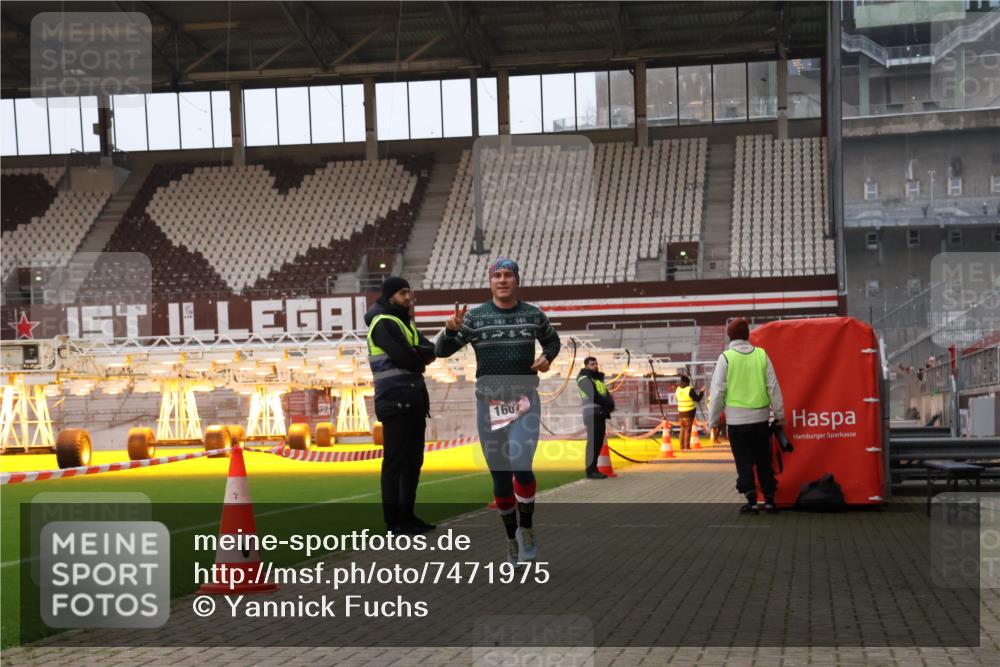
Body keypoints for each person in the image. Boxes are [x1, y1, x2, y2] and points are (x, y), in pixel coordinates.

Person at [435, 256, 560, 564]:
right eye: (497, 275)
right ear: (490, 281)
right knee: (501, 477)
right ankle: (510, 538)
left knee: (522, 466)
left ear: (517, 280)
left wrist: (547, 357)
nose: (502, 280)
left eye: (508, 275)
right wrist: (449, 331)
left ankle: (526, 529)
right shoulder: (475, 318)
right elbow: (441, 351)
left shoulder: (533, 315)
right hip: (488, 406)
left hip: (524, 404)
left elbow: (553, 342)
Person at [365, 276, 437, 535]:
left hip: (413, 399)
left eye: (409, 292)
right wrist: (418, 356)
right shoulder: (382, 322)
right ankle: (394, 522)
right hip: (394, 400)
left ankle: (407, 516)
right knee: (395, 462)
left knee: (413, 462)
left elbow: (430, 351)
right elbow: (408, 359)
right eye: (403, 292)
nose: (408, 297)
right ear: (390, 295)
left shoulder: (404, 323)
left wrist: (417, 355)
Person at [707, 318, 785, 514]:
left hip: (736, 422)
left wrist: (713, 421)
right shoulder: (761, 355)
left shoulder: (725, 358)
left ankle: (751, 501)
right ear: (747, 334)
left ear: (729, 336)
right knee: (763, 461)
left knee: (743, 462)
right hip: (760, 420)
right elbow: (773, 387)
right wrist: (779, 414)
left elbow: (717, 392)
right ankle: (769, 500)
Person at [577, 356, 615, 479]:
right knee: (593, 444)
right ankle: (590, 471)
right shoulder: (583, 379)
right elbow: (594, 395)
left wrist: (610, 403)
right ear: (586, 365)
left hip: (599, 413)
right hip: (592, 413)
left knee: (597, 443)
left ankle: (594, 469)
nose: (595, 366)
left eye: (596, 364)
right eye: (592, 364)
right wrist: (607, 403)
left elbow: (604, 393)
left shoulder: (597, 379)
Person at [674, 375, 705, 450]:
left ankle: (681, 446)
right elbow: (697, 399)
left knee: (682, 429)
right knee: (688, 430)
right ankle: (686, 446)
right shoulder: (689, 389)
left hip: (681, 412)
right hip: (689, 412)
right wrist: (701, 392)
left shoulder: (678, 389)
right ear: (687, 382)